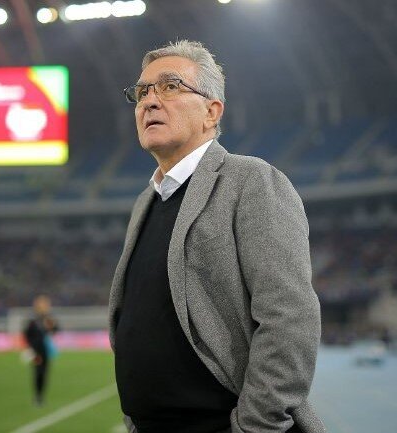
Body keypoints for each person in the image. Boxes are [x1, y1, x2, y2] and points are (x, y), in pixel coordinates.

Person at [108, 40, 324, 433]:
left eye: (170, 87)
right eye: (142, 92)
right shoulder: (146, 201)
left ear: (212, 111)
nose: (149, 102)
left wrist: (254, 426)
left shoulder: (251, 181)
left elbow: (290, 317)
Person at [23, 294, 58, 406]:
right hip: (36, 351)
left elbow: (55, 330)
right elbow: (27, 335)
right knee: (38, 372)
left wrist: (52, 326)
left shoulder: (48, 318)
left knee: (44, 373)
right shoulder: (33, 320)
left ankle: (41, 396)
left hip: (46, 350)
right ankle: (37, 396)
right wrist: (31, 348)